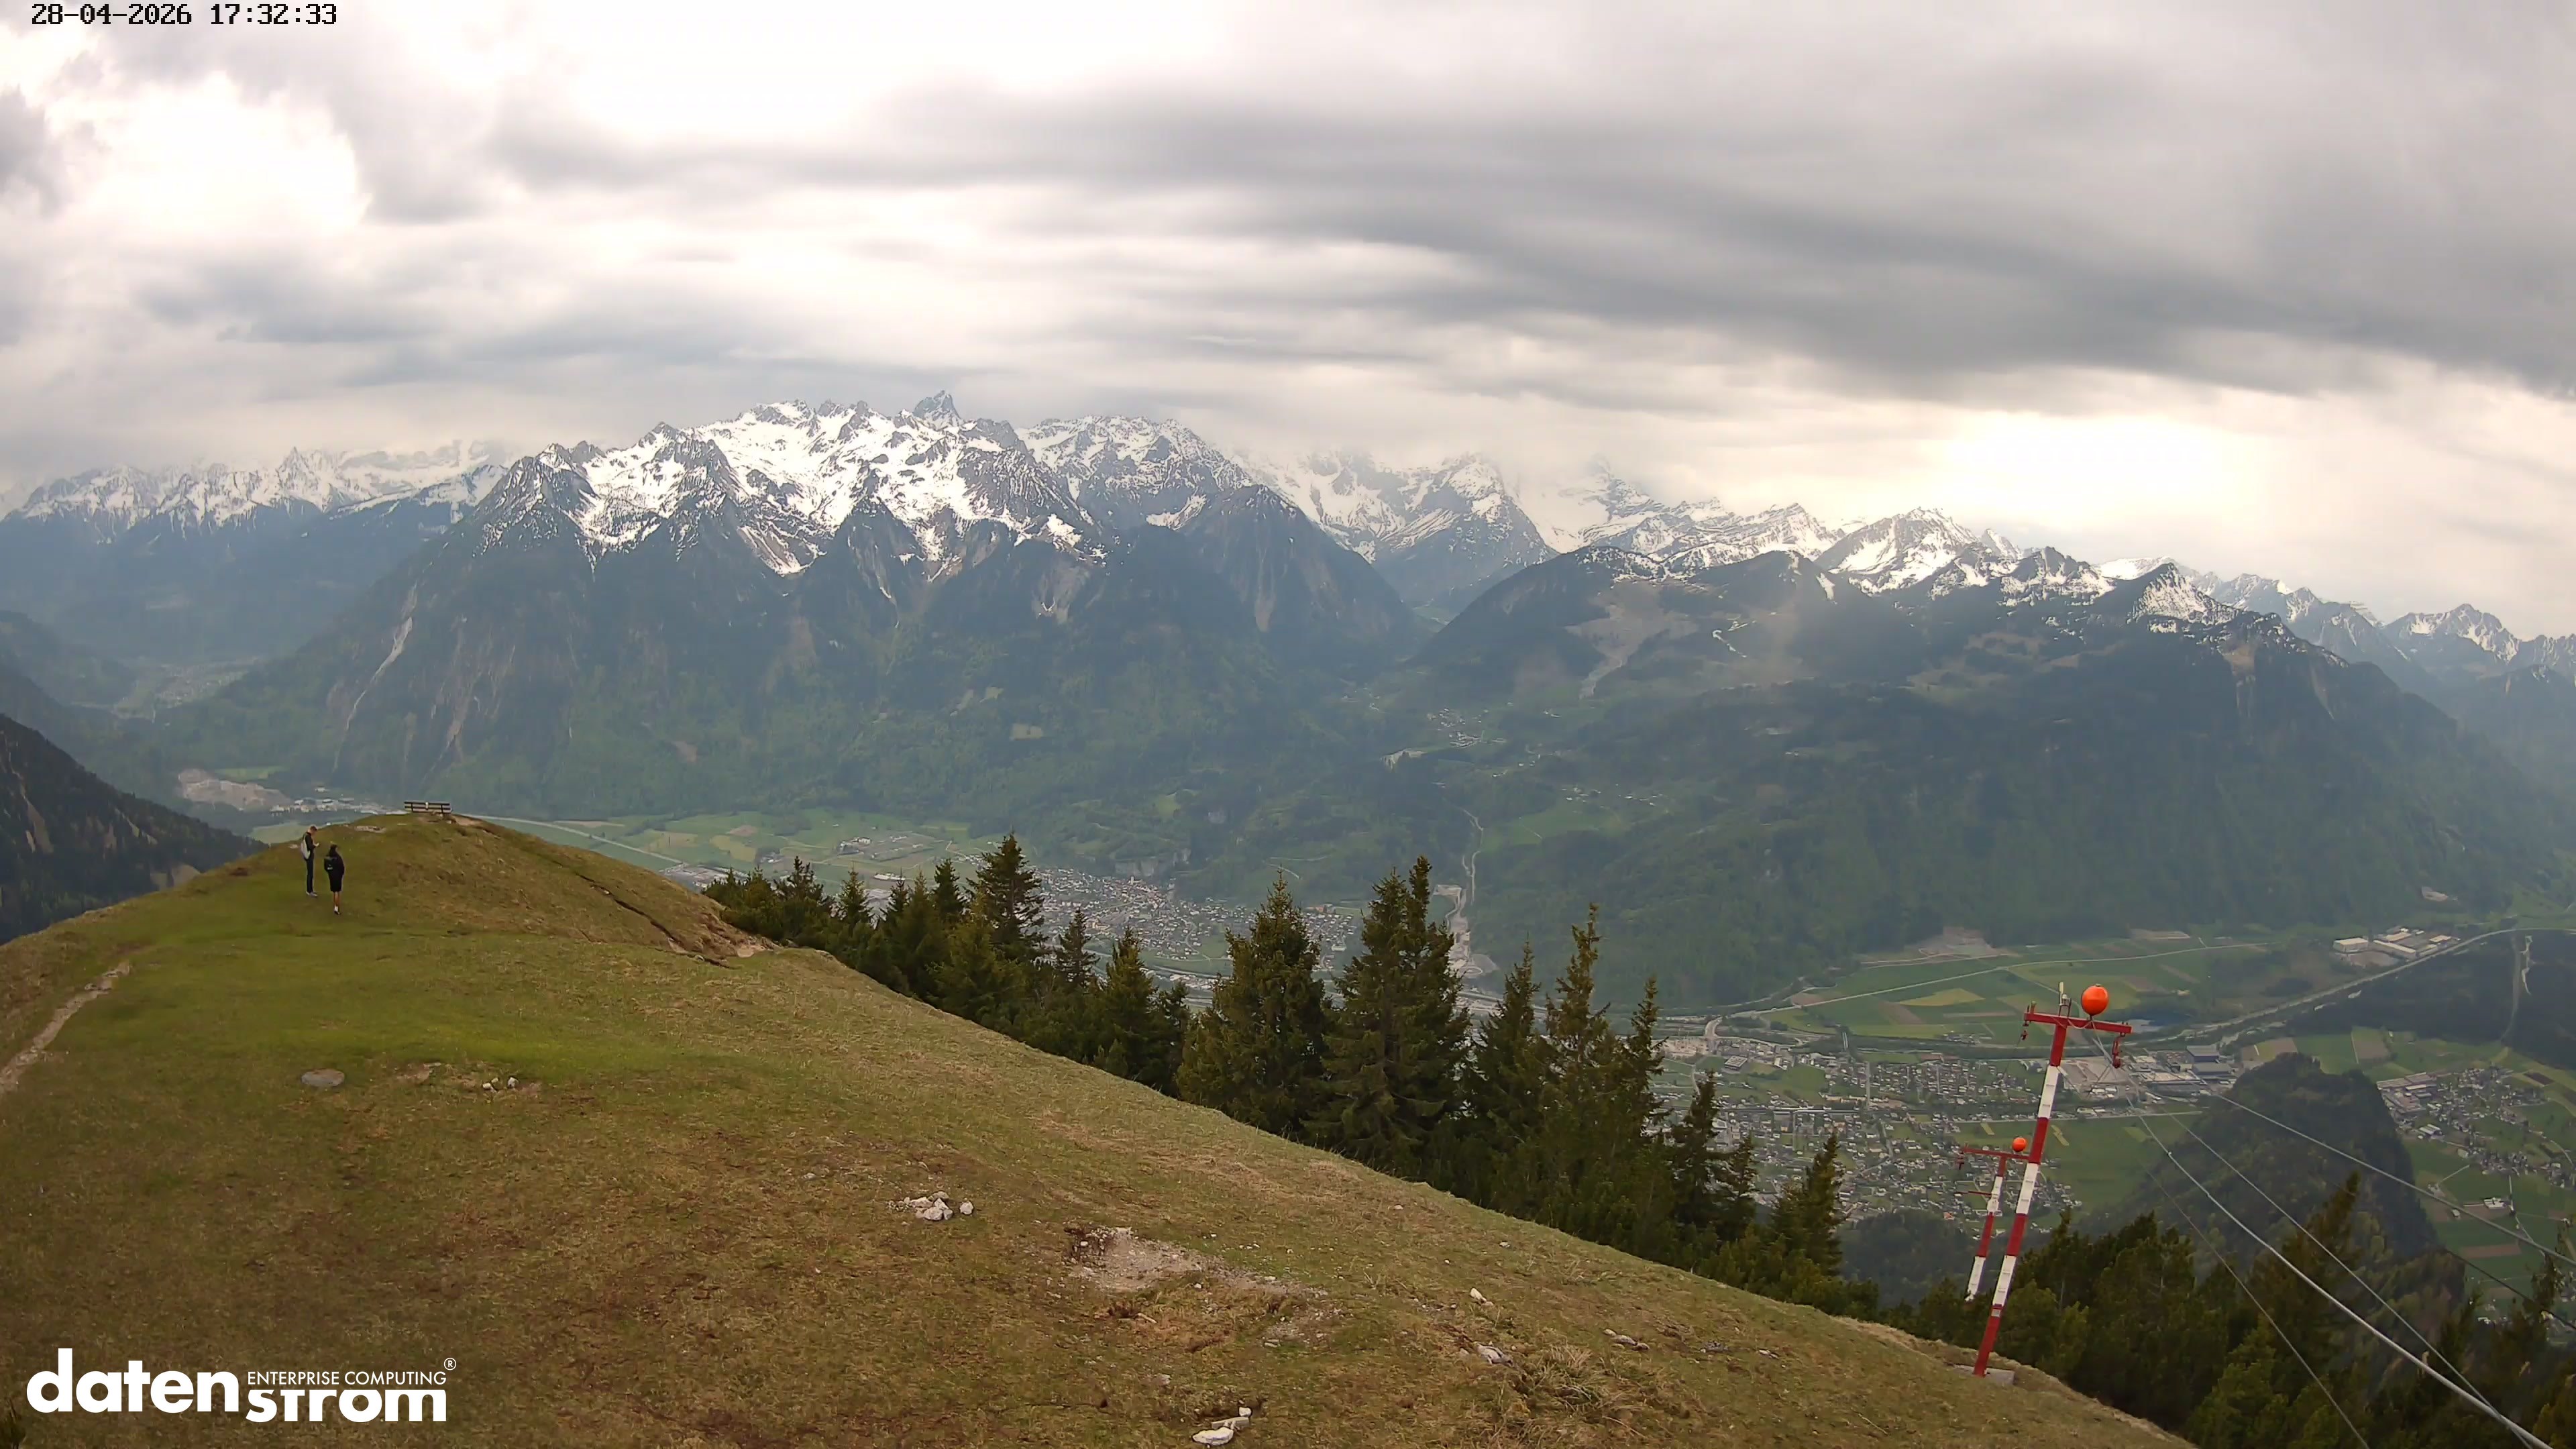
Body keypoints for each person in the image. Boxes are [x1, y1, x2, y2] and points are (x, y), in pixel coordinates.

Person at [324, 844, 346, 916]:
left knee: (334, 891)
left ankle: (335, 905)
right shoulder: (338, 858)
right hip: (337, 876)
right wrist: (341, 874)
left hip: (331, 876)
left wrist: (330, 872)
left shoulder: (327, 857)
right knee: (337, 892)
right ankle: (336, 908)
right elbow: (342, 867)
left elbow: (326, 867)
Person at [301, 826, 319, 897]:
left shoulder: (305, 835)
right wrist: (315, 846)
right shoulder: (308, 837)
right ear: (312, 830)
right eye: (314, 832)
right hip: (309, 857)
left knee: (310, 874)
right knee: (310, 874)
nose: (314, 834)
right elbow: (310, 847)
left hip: (307, 856)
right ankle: (310, 891)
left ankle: (310, 890)